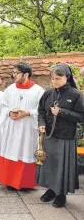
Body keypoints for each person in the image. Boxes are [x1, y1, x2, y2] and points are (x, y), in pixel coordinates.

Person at [36, 63, 84, 208]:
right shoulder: (48, 93)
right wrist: (41, 123)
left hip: (66, 138)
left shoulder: (76, 95)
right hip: (49, 136)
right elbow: (41, 112)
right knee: (50, 165)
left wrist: (62, 112)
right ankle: (51, 190)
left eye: (58, 78)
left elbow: (82, 117)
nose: (54, 82)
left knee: (62, 167)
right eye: (52, 79)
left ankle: (61, 195)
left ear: (67, 78)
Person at [0, 62, 44, 191]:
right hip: (12, 127)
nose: (14, 75)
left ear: (26, 74)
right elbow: (2, 105)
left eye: (16, 73)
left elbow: (42, 109)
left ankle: (25, 183)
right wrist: (9, 112)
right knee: (11, 151)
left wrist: (28, 113)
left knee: (25, 152)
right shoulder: (10, 89)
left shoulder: (38, 90)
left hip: (27, 128)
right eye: (14, 72)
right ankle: (10, 181)